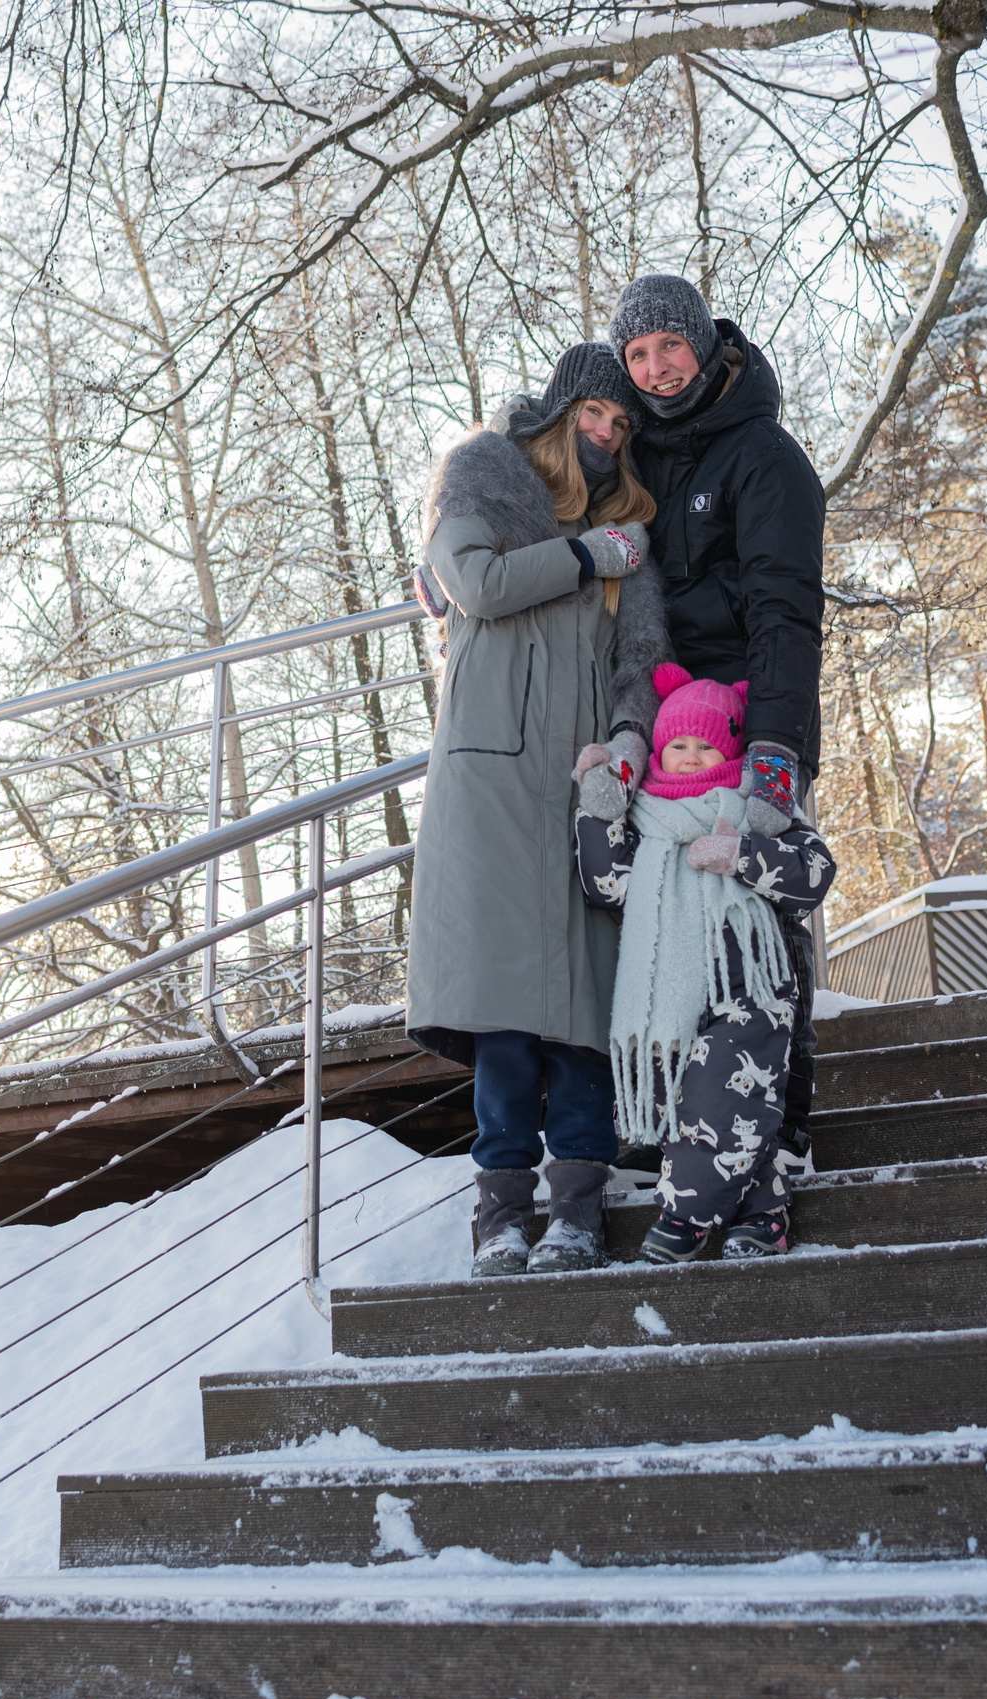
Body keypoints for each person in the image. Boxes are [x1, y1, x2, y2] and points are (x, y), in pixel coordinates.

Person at [406, 342, 673, 1277]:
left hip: (582, 790)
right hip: (488, 787)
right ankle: (501, 1211)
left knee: (582, 1008)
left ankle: (575, 1208)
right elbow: (474, 585)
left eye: (620, 424)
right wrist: (581, 554)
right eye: (593, 415)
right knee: (507, 1013)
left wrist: (632, 742)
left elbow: (640, 664)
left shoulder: (628, 534)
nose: (606, 435)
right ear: (559, 415)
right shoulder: (480, 477)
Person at [599, 273, 829, 1176]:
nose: (656, 370)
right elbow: (539, 468)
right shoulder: (635, 454)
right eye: (638, 356)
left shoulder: (764, 456)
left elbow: (785, 608)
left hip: (751, 717)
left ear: (703, 343)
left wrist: (775, 752)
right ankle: (682, 1122)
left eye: (670, 347)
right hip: (666, 726)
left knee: (761, 906)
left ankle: (783, 1128)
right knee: (664, 903)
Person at [574, 666, 837, 1261]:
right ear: (661, 750)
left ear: (732, 747)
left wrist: (742, 855)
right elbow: (606, 884)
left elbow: (816, 875)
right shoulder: (644, 821)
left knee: (722, 1098)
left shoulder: (760, 808)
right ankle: (764, 1214)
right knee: (712, 1103)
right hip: (672, 996)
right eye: (679, 744)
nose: (691, 757)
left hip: (752, 990)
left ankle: (685, 1214)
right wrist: (596, 806)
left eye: (706, 744)